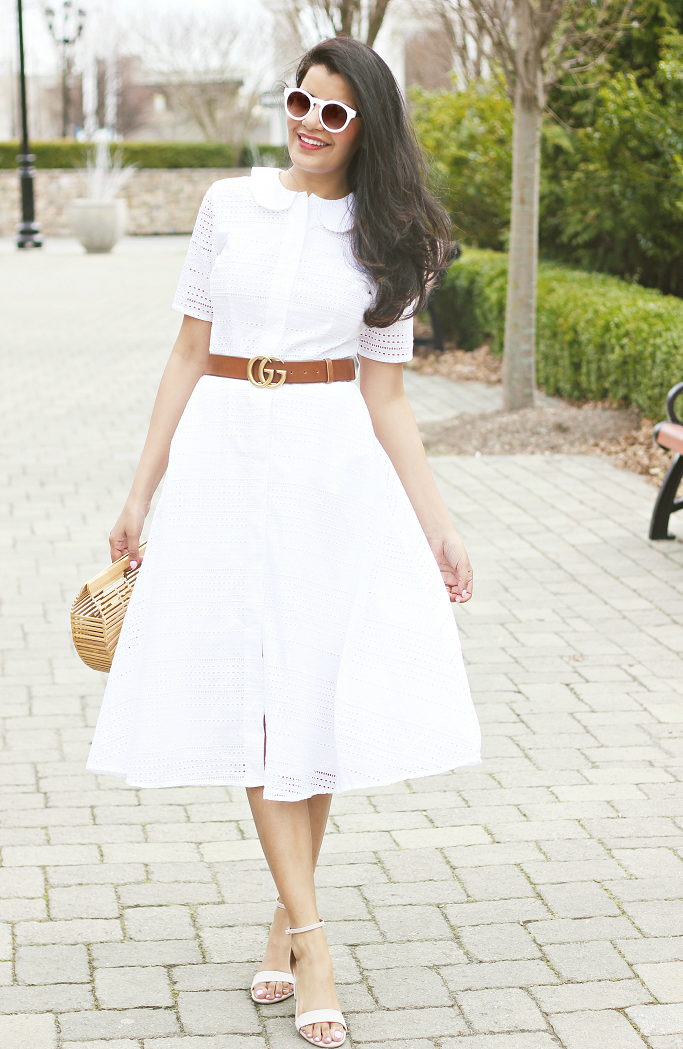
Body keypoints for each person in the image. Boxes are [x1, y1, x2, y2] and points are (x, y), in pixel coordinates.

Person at [86, 36, 481, 1047]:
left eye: (334, 113)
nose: (309, 123)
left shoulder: (388, 236)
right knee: (254, 701)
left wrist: (437, 521)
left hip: (329, 467)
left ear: (367, 129)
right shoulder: (228, 208)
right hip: (223, 456)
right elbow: (185, 350)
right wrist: (141, 490)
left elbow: (387, 395)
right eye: (300, 102)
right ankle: (310, 935)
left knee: (312, 694)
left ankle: (281, 912)